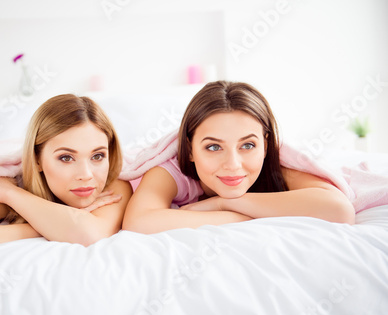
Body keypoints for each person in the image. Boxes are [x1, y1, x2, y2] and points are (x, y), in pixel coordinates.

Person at [122, 81, 355, 234]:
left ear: (265, 145)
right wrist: (241, 217)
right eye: (213, 147)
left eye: (247, 145)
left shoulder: (277, 167)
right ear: (190, 149)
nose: (233, 164)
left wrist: (225, 203)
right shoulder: (170, 171)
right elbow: (139, 222)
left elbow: (339, 210)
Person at [0, 94, 132, 248]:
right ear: (37, 160)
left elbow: (90, 234)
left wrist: (16, 200)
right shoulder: (6, 182)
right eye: (66, 157)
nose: (86, 174)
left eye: (97, 156)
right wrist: (10, 192)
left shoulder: (115, 183)